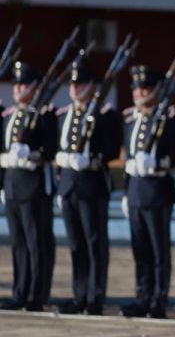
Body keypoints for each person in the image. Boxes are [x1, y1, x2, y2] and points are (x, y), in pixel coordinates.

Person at [55, 59, 123, 315]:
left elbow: (112, 149)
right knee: (76, 244)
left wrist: (93, 156)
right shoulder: (66, 114)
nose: (74, 88)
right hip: (70, 186)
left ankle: (95, 296)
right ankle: (79, 293)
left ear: (92, 86)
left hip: (92, 185)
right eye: (72, 84)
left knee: (95, 242)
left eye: (80, 83)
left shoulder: (105, 115)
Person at [120, 65, 175, 319]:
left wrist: (158, 162)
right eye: (136, 88)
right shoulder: (131, 119)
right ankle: (142, 296)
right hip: (135, 190)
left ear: (156, 90)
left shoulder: (168, 118)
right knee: (140, 249)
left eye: (144, 88)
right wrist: (126, 190)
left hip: (157, 190)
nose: (138, 93)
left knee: (158, 250)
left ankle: (158, 298)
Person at [0, 62, 57, 312]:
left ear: (34, 87)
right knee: (18, 243)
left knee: (36, 243)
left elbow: (50, 149)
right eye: (16, 84)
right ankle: (19, 291)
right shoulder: (11, 115)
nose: (18, 88)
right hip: (12, 184)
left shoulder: (44, 115)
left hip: (33, 186)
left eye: (23, 84)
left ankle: (36, 293)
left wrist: (31, 153)